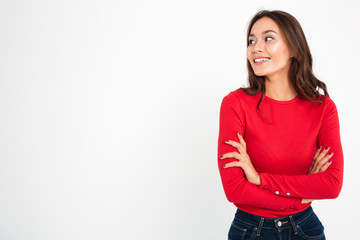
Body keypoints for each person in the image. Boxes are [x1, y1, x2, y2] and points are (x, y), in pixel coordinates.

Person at [217, 10, 343, 239]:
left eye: (268, 38)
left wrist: (259, 179)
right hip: (251, 230)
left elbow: (332, 184)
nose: (256, 47)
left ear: (294, 48)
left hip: (306, 228)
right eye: (251, 40)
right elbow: (235, 189)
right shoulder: (235, 104)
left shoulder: (323, 108)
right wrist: (302, 195)